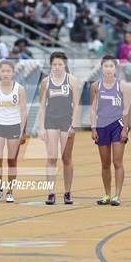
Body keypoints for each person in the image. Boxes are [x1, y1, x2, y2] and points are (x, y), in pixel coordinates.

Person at [90, 55, 131, 206]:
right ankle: (107, 193)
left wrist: (125, 129)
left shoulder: (122, 86)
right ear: (101, 68)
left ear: (116, 68)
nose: (108, 69)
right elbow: (93, 109)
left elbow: (127, 109)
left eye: (111, 66)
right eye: (106, 66)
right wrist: (93, 128)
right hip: (101, 126)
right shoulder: (96, 86)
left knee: (117, 161)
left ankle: (117, 195)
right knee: (105, 163)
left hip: (117, 125)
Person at [38, 51, 79, 205]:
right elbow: (42, 107)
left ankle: (68, 192)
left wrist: (73, 125)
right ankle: (51, 192)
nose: (57, 67)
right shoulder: (46, 82)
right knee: (51, 157)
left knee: (66, 158)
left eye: (60, 64)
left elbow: (76, 105)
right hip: (51, 122)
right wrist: (41, 128)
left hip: (66, 122)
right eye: (54, 64)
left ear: (65, 65)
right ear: (51, 65)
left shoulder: (72, 81)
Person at [0, 60, 27, 203]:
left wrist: (23, 130)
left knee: (11, 160)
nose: (5, 74)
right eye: (3, 71)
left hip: (14, 126)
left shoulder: (19, 89)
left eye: (8, 71)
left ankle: (10, 191)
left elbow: (23, 110)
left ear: (13, 72)